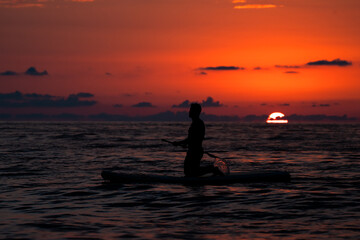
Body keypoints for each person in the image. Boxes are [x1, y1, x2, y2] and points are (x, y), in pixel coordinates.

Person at [173, 103, 223, 177]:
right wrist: (185, 144)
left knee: (191, 172)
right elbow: (192, 138)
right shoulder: (196, 123)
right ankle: (211, 170)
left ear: (195, 112)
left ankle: (212, 169)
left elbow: (193, 138)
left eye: (191, 110)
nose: (189, 112)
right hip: (193, 150)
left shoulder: (198, 123)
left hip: (195, 151)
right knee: (189, 172)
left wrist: (179, 143)